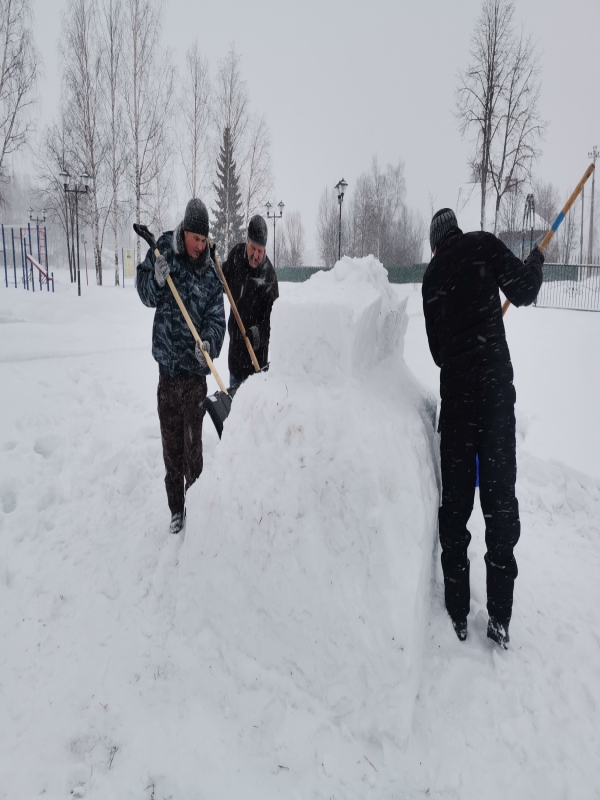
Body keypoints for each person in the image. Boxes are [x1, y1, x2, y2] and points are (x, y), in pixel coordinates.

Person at [422, 208, 543, 648]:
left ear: (435, 243)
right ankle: (499, 617)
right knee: (499, 503)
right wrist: (535, 263)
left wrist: (460, 327)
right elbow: (524, 289)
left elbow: (438, 353)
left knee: (455, 509)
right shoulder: (483, 245)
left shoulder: (432, 277)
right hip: (493, 397)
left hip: (458, 401)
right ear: (456, 230)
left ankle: (457, 611)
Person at [137, 198, 225, 534]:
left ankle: (196, 508)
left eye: (204, 240)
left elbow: (217, 320)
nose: (200, 246)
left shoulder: (211, 274)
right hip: (167, 375)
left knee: (193, 452)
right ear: (184, 231)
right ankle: (177, 510)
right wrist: (156, 281)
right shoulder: (164, 251)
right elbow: (145, 293)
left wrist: (209, 344)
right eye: (195, 238)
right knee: (171, 450)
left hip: (194, 380)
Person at [221, 215, 279, 388]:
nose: (256, 255)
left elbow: (274, 322)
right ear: (247, 240)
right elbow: (222, 281)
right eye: (253, 248)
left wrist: (258, 334)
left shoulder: (269, 278)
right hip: (235, 359)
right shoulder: (236, 256)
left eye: (260, 250)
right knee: (234, 403)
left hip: (256, 365)